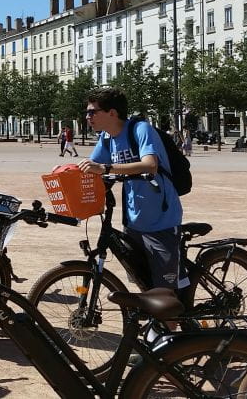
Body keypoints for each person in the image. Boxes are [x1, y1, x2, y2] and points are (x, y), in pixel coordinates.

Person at [77, 87, 187, 292]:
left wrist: (106, 168)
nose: (87, 117)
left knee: (166, 294)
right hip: (133, 222)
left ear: (112, 113)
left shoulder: (140, 129)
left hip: (160, 222)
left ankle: (171, 321)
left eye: (92, 112)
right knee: (144, 284)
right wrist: (67, 171)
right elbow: (92, 166)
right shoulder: (107, 138)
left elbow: (150, 164)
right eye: (87, 112)